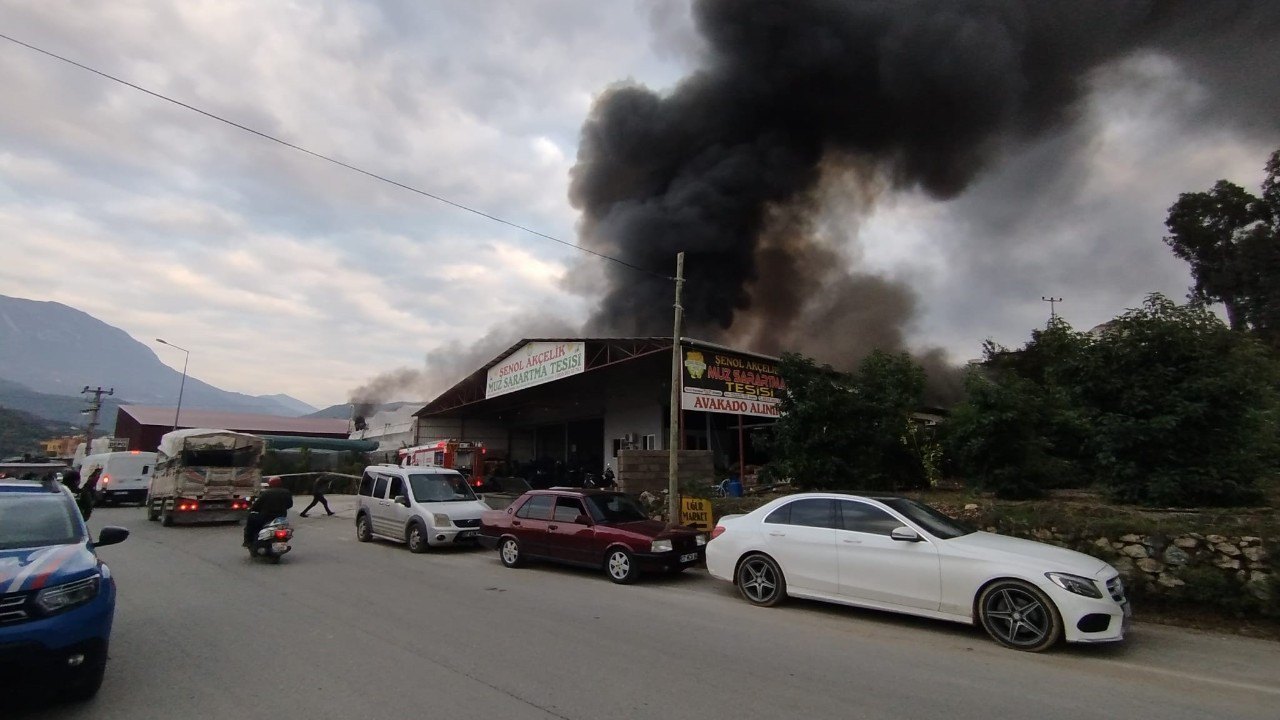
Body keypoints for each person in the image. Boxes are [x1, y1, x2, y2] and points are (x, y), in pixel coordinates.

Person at [244, 476, 294, 547]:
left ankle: (248, 541)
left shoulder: (266, 493)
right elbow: (290, 505)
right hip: (281, 518)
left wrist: (251, 509)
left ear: (270, 484)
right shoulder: (287, 492)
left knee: (251, 519)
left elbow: (256, 505)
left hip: (266, 518)